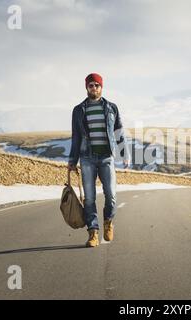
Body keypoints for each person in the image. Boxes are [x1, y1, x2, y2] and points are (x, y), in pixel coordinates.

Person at [67, 73, 130, 248]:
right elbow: (76, 136)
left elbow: (118, 132)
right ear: (86, 88)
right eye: (90, 85)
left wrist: (125, 154)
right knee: (89, 199)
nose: (93, 88)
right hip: (86, 158)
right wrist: (72, 160)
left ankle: (108, 221)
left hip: (106, 157)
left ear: (101, 87)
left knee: (111, 196)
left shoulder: (112, 108)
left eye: (96, 85)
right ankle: (93, 233)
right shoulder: (78, 110)